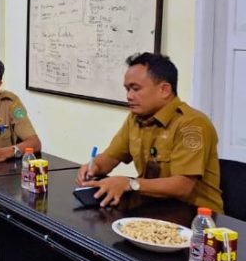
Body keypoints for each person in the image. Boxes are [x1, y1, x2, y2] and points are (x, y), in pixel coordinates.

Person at [76, 53, 223, 212]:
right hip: (153, 206)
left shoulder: (192, 124)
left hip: (196, 215)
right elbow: (112, 156)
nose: (129, 96)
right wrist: (95, 166)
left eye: (136, 89)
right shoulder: (136, 118)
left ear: (164, 90)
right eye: (127, 89)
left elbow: (182, 186)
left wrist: (129, 183)